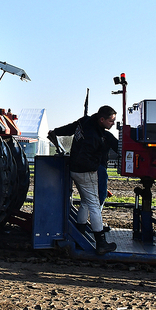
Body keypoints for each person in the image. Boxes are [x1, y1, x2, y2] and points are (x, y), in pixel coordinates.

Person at [47, 105, 118, 255]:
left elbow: (70, 128)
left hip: (74, 169)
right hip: (86, 172)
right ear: (102, 119)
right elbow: (86, 156)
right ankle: (101, 243)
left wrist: (55, 132)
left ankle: (79, 231)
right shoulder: (97, 136)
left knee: (85, 201)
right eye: (111, 121)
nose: (113, 123)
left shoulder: (84, 122)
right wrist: (94, 167)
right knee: (94, 204)